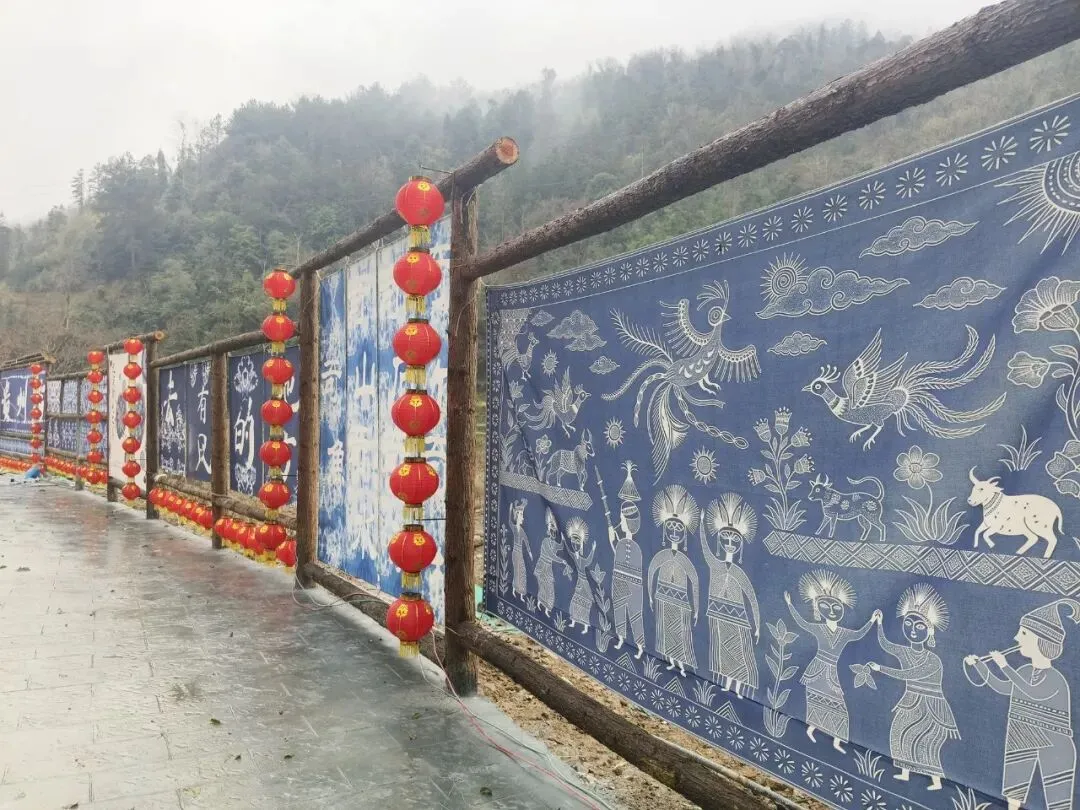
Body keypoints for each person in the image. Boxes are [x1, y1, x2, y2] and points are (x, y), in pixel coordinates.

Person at [964, 598, 1079, 810]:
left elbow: (1033, 692)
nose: (1017, 638)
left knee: (1058, 802)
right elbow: (1003, 687)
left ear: (1042, 641)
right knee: (1013, 796)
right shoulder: (1024, 671)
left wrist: (1005, 666)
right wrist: (980, 666)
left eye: (1024, 633)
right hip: (1020, 734)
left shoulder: (1056, 679)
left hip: (1054, 742)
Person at [866, 584, 959, 790]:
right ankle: (905, 772)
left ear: (930, 630)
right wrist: (879, 623)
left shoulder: (933, 660)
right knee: (898, 733)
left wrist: (880, 668)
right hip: (910, 700)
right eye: (909, 624)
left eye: (919, 627)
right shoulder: (905, 651)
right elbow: (885, 644)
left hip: (930, 705)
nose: (913, 630)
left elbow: (909, 674)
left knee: (927, 743)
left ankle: (936, 781)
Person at [785, 569, 878, 753]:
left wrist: (872, 620)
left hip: (831, 672)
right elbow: (802, 623)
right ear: (818, 609)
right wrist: (789, 605)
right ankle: (811, 729)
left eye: (836, 608)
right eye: (826, 607)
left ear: (842, 609)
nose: (832, 611)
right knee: (815, 701)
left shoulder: (844, 633)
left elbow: (859, 634)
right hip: (817, 669)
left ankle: (836, 741)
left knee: (838, 706)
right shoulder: (819, 628)